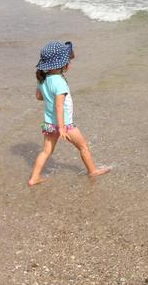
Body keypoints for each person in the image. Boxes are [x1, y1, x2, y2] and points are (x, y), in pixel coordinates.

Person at [28, 41, 111, 186]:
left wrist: (49, 97)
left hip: (48, 124)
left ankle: (34, 178)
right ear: (62, 64)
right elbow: (59, 106)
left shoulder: (42, 79)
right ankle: (93, 171)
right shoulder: (60, 82)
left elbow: (39, 97)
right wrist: (62, 128)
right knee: (83, 147)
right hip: (65, 124)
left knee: (45, 151)